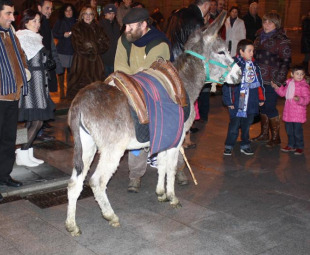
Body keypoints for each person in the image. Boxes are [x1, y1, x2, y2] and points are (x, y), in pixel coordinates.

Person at [114, 8, 172, 192]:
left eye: (131, 26)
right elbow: (120, 65)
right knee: (134, 130)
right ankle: (135, 174)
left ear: (144, 25)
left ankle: (176, 167)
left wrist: (136, 76)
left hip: (153, 90)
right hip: (130, 86)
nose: (127, 30)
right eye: (126, 26)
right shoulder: (124, 39)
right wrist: (129, 82)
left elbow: (152, 71)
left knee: (167, 125)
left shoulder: (159, 43)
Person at [16, 9, 55, 167]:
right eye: (34, 21)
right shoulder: (23, 38)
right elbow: (24, 62)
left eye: (39, 21)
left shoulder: (36, 37)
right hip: (32, 85)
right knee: (37, 121)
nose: (38, 24)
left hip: (40, 84)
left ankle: (26, 152)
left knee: (33, 121)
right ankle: (22, 152)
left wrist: (47, 62)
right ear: (26, 22)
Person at [0, 0, 31, 200]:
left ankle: (4, 175)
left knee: (8, 139)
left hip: (13, 95)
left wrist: (24, 69)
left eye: (13, 14)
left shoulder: (10, 33)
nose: (13, 18)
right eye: (8, 14)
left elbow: (20, 54)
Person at [251, 12, 291, 147]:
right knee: (262, 107)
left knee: (270, 107)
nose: (266, 25)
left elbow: (286, 62)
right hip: (257, 78)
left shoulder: (281, 40)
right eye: (265, 21)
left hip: (272, 80)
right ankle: (264, 134)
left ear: (276, 24)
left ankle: (276, 137)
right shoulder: (258, 37)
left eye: (270, 22)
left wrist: (278, 81)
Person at [223, 39, 265, 156]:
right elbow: (227, 85)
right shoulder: (234, 66)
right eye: (249, 51)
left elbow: (259, 83)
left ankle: (245, 144)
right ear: (241, 52)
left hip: (251, 101)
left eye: (253, 51)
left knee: (246, 126)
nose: (252, 53)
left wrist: (261, 98)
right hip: (237, 101)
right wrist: (229, 101)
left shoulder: (254, 66)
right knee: (234, 126)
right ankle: (229, 145)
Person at [66, 5, 109, 100]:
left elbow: (105, 43)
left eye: (90, 14)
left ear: (94, 16)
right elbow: (78, 46)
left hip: (96, 64)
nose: (88, 16)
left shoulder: (98, 28)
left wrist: (90, 45)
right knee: (80, 93)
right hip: (81, 63)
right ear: (82, 15)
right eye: (86, 14)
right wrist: (94, 46)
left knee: (97, 93)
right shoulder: (77, 28)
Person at [270, 65, 310, 155]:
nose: (300, 76)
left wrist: (299, 99)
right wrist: (277, 87)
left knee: (297, 131)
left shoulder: (304, 86)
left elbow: (307, 99)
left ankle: (299, 146)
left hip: (298, 113)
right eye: (297, 74)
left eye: (302, 74)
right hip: (288, 112)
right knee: (289, 131)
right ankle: (291, 145)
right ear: (292, 74)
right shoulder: (289, 83)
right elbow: (283, 93)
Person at [52, 3, 77, 99]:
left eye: (70, 10)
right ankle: (62, 92)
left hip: (72, 50)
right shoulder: (60, 21)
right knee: (61, 72)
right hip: (62, 50)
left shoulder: (76, 21)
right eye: (67, 10)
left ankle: (69, 92)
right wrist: (63, 35)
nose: (69, 12)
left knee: (71, 73)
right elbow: (54, 33)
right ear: (64, 12)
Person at [100, 3, 120, 77]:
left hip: (114, 57)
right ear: (105, 13)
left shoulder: (116, 24)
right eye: (109, 13)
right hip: (105, 57)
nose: (111, 15)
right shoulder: (101, 25)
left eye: (113, 13)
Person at [301, 10, 310, 75]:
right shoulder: (306, 21)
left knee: (307, 56)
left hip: (307, 41)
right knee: (307, 56)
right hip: (307, 41)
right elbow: (305, 31)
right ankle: (305, 71)